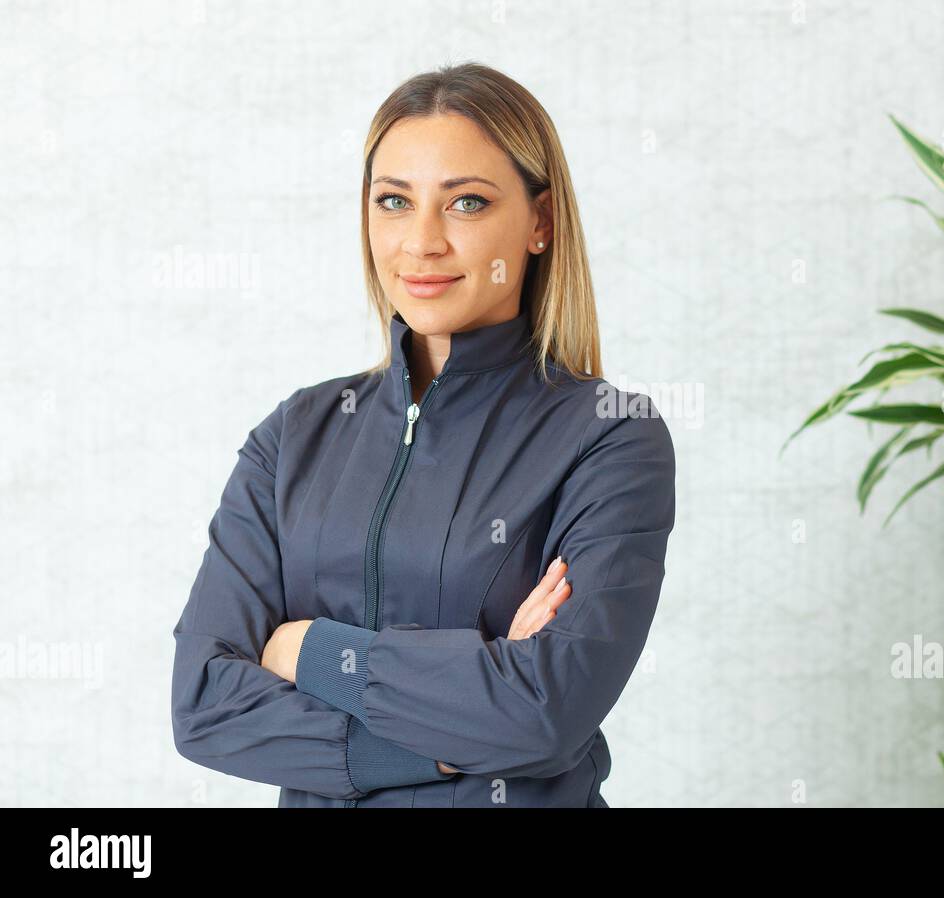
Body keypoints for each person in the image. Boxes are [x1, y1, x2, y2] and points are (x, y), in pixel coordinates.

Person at [170, 62, 676, 808]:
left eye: (466, 203)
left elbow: (545, 712)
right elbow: (204, 704)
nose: (422, 242)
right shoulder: (293, 437)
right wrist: (463, 715)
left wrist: (303, 648)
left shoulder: (610, 438)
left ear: (540, 223)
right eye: (394, 202)